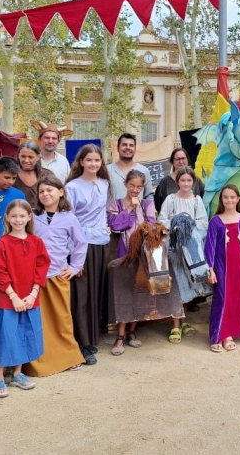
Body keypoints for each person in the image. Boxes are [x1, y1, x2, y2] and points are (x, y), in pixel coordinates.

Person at [0, 199, 49, 399]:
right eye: (14, 216)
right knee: (6, 334)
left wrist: (32, 294)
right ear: (7, 218)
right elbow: (0, 272)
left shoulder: (36, 242)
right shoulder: (2, 244)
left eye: (22, 216)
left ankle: (17, 373)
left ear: (29, 217)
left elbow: (41, 268)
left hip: (30, 298)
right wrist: (13, 297)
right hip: (8, 299)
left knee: (24, 333)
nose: (18, 220)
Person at [26, 176, 88, 376]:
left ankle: (69, 356)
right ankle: (39, 361)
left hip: (57, 275)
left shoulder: (69, 218)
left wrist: (75, 266)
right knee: (40, 320)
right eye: (42, 191)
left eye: (50, 190)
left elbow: (81, 243)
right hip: (35, 277)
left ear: (61, 192)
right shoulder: (33, 217)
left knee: (62, 318)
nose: (45, 194)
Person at [65, 144, 113, 366]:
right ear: (81, 162)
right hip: (81, 245)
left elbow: (103, 212)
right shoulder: (72, 187)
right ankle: (82, 343)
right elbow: (69, 220)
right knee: (81, 296)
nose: (93, 164)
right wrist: (75, 256)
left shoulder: (104, 184)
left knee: (96, 292)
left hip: (101, 243)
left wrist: (106, 227)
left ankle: (94, 337)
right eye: (89, 160)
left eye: (97, 160)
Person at [108, 169, 159, 354]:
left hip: (144, 257)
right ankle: (120, 337)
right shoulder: (116, 204)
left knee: (140, 293)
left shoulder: (148, 204)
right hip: (123, 255)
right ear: (125, 185)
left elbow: (152, 229)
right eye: (132, 186)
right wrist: (129, 208)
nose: (135, 190)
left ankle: (131, 332)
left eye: (139, 187)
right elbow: (116, 225)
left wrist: (143, 215)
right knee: (123, 294)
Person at [157, 166, 209, 340]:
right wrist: (176, 224)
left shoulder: (197, 201)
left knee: (188, 285)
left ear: (193, 183)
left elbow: (203, 223)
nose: (186, 183)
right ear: (177, 181)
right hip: (174, 250)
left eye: (189, 180)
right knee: (177, 284)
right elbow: (162, 219)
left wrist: (188, 225)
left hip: (191, 251)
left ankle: (183, 319)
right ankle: (175, 324)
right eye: (182, 180)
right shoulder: (171, 199)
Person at [205, 185, 240, 352]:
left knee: (235, 299)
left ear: (238, 199)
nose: (229, 200)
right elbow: (209, 247)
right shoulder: (215, 221)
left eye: (232, 197)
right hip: (221, 267)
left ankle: (229, 335)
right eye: (225, 197)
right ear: (221, 200)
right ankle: (217, 335)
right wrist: (210, 269)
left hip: (239, 267)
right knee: (221, 298)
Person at [154, 148, 206, 212]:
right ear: (172, 162)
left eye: (183, 158)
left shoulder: (196, 180)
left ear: (187, 160)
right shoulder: (165, 182)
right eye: (178, 159)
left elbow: (204, 199)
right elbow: (158, 204)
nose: (181, 162)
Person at [108, 133, 153, 200]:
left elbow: (149, 196)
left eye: (131, 145)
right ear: (117, 148)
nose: (128, 148)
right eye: (124, 145)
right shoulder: (107, 170)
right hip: (113, 210)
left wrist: (147, 209)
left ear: (135, 149)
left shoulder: (144, 171)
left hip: (137, 210)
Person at [14, 140, 57, 206]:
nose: (26, 160)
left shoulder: (47, 175)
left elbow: (55, 198)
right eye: (23, 156)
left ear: (38, 157)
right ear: (18, 156)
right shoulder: (12, 176)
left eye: (30, 157)